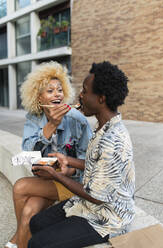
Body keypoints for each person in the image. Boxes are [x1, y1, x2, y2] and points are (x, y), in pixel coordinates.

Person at [27, 61, 135, 248]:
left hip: (108, 217)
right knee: (36, 223)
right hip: (90, 203)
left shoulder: (113, 140)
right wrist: (68, 160)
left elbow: (96, 196)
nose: (80, 96)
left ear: (101, 98)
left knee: (37, 244)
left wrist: (55, 175)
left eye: (85, 91)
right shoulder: (103, 126)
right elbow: (98, 165)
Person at [5, 61, 92, 248]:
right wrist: (50, 125)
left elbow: (91, 161)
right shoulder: (34, 119)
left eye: (59, 90)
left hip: (74, 184)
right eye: (50, 90)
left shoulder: (77, 120)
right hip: (48, 180)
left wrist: (68, 172)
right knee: (28, 211)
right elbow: (28, 150)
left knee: (20, 187)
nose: (57, 94)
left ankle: (17, 240)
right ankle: (22, 241)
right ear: (38, 97)